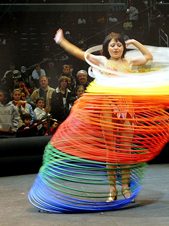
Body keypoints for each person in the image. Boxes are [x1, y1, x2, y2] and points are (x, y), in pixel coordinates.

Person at [54, 28, 153, 202]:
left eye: (119, 45)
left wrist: (135, 42)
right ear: (107, 47)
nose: (116, 48)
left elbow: (148, 57)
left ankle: (125, 187)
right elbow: (79, 53)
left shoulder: (129, 61)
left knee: (125, 151)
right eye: (113, 45)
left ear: (123, 47)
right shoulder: (102, 61)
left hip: (126, 108)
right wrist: (62, 41)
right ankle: (112, 189)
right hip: (108, 108)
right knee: (111, 151)